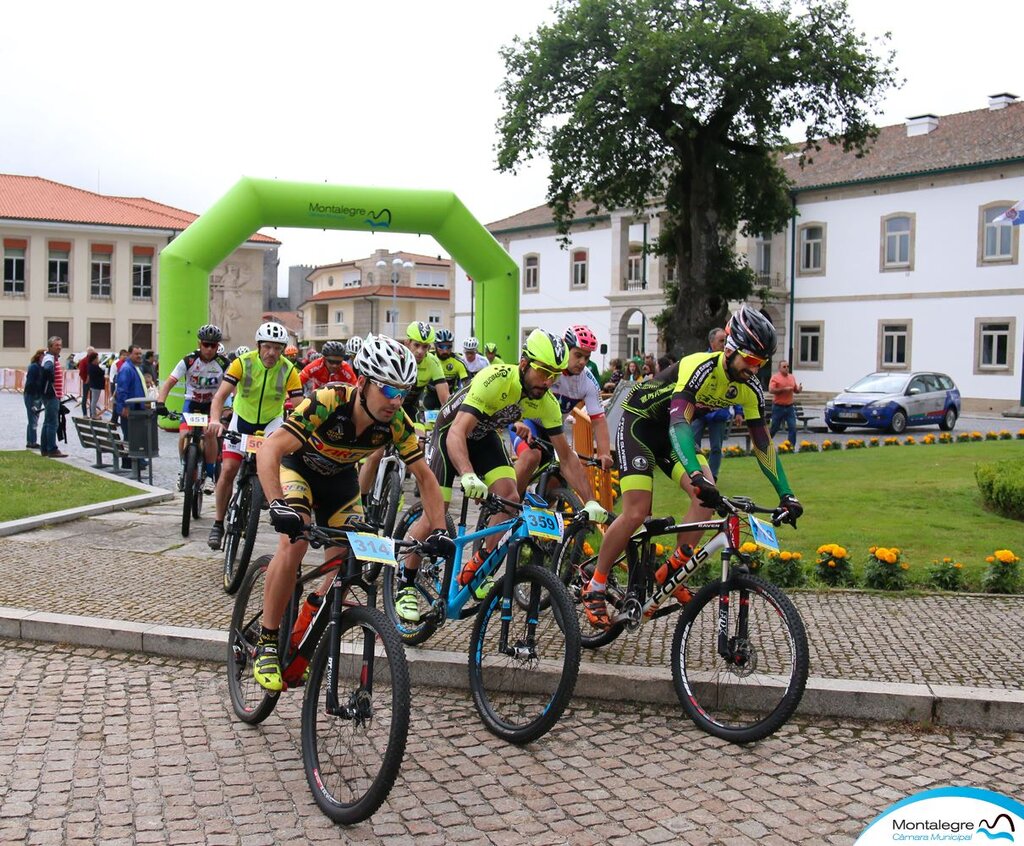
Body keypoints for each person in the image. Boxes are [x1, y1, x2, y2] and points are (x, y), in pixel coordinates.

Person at [581, 306, 803, 629]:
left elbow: (762, 443)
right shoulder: (699, 368)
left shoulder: (750, 387)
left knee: (705, 499)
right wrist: (696, 475)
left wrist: (787, 494)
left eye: (761, 363)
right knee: (637, 511)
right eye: (751, 361)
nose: (755, 370)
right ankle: (596, 585)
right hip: (640, 426)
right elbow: (679, 423)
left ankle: (673, 569)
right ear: (730, 349)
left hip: (673, 435)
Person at [251, 334, 448, 691]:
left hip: (340, 482)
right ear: (362, 383)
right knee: (295, 541)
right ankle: (266, 639)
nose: (396, 401)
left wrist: (438, 530)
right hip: (300, 469)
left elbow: (426, 478)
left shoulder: (396, 422)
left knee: (347, 558)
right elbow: (271, 449)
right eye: (388, 391)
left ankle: (305, 624)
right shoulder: (328, 401)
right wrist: (278, 503)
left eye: (403, 392)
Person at [398, 329, 608, 624]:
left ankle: (477, 565)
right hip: (451, 432)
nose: (548, 382)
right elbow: (458, 432)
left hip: (484, 438)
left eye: (554, 375)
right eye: (543, 372)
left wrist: (590, 502)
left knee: (510, 498)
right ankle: (405, 583)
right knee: (438, 511)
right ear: (524, 364)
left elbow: (568, 457)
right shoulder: (495, 378)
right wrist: (468, 475)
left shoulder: (545, 401)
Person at [206, 322, 304, 550]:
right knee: (229, 469)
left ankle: (276, 506)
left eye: (278, 348)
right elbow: (220, 397)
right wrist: (214, 419)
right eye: (267, 347)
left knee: (276, 469)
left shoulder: (289, 370)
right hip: (242, 420)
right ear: (258, 346)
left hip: (271, 423)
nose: (272, 353)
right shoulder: (242, 363)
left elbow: (300, 407)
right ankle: (218, 523)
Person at [511, 324, 614, 497]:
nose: (582, 362)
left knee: (559, 478)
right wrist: (517, 421)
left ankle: (536, 503)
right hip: (529, 423)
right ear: (566, 348)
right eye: (578, 355)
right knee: (531, 457)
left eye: (587, 357)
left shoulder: (587, 381)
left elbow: (598, 420)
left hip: (554, 430)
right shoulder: (549, 369)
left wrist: (604, 453)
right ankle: (507, 503)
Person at [356, 322, 448, 504]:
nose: (421, 351)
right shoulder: (396, 355)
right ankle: (360, 501)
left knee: (420, 442)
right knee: (375, 454)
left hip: (411, 408)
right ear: (407, 342)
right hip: (388, 404)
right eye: (416, 345)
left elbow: (444, 395)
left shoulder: (433, 362)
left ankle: (403, 478)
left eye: (425, 347)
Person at [155, 324, 231, 494]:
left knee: (210, 434)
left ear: (218, 346)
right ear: (199, 344)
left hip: (212, 405)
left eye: (213, 345)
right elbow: (169, 382)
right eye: (206, 344)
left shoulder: (223, 363)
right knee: (183, 435)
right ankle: (183, 469)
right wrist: (160, 402)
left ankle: (210, 476)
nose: (209, 349)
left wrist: (231, 408)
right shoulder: (189, 360)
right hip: (191, 403)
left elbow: (235, 388)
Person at [689, 327, 740, 481]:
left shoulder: (730, 361)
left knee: (716, 447)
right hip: (699, 411)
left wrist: (738, 411)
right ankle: (695, 473)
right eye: (721, 341)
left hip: (719, 412)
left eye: (726, 341)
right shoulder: (702, 360)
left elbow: (736, 386)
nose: (724, 344)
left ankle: (713, 476)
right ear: (711, 342)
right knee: (692, 443)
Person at [114, 345, 149, 469]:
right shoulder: (127, 369)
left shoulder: (133, 367)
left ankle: (137, 459)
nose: (139, 356)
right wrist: (125, 406)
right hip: (131, 409)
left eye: (140, 354)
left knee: (136, 435)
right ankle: (130, 461)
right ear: (129, 354)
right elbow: (122, 389)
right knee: (130, 436)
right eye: (136, 354)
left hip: (137, 407)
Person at [426, 328, 468, 409]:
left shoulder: (458, 361)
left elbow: (466, 385)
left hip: (450, 397)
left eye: (448, 346)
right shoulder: (428, 358)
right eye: (441, 346)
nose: (445, 351)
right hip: (430, 396)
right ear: (435, 346)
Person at [39, 336, 67, 458]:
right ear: (50, 347)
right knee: (53, 423)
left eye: (60, 345)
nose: (59, 347)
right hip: (52, 395)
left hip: (51, 395)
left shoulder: (51, 358)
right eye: (56, 345)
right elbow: (47, 369)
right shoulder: (49, 358)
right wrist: (50, 379)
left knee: (47, 422)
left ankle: (44, 448)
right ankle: (52, 449)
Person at [769, 360, 803, 446]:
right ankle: (765, 444)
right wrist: (783, 390)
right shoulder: (775, 378)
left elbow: (795, 389)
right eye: (784, 367)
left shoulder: (791, 377)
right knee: (774, 428)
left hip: (789, 407)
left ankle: (790, 447)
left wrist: (799, 390)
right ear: (779, 368)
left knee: (793, 428)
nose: (786, 368)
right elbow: (771, 390)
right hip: (778, 407)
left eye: (788, 366)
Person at [23, 349, 45, 449]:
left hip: (37, 395)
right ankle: (32, 441)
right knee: (33, 418)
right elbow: (31, 382)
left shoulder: (41, 367)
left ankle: (31, 440)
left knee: (34, 419)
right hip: (32, 395)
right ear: (39, 356)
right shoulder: (34, 367)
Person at [86, 352, 106, 418]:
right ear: (94, 359)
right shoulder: (93, 367)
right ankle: (94, 415)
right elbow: (101, 372)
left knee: (93, 401)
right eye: (97, 358)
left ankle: (93, 414)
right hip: (96, 386)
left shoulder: (91, 366)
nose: (98, 359)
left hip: (94, 385)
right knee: (94, 401)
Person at [77, 346, 95, 416]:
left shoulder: (93, 360)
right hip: (87, 382)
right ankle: (85, 414)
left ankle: (91, 414)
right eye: (92, 352)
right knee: (85, 398)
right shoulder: (84, 361)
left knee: (92, 398)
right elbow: (81, 372)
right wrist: (85, 380)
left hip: (93, 382)